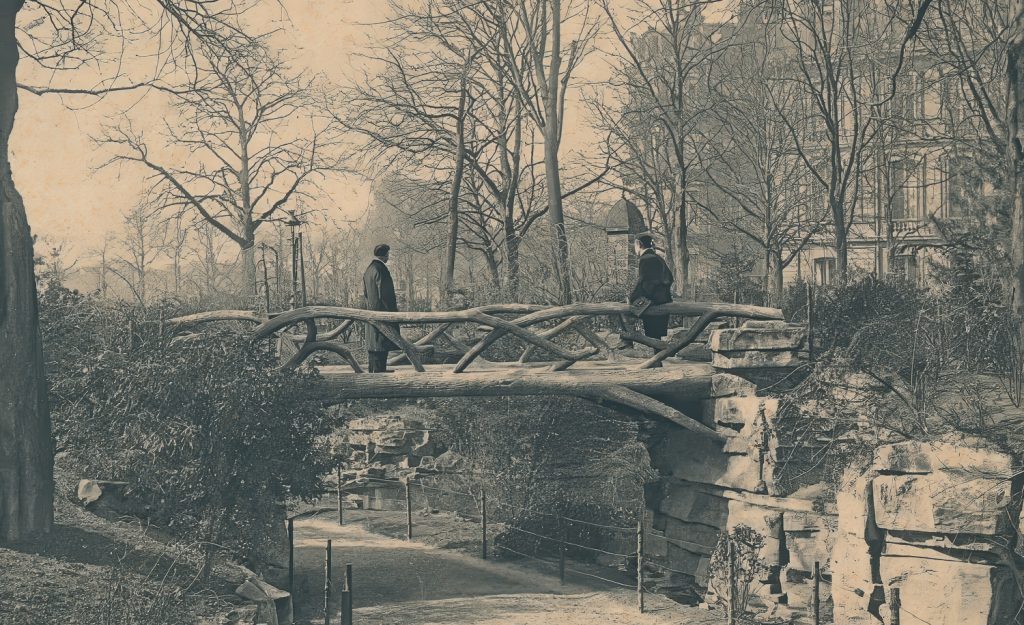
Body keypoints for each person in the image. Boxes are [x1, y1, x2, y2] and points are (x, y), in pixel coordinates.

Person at [629, 233, 674, 343]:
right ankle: (657, 358)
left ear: (639, 244)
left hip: (653, 302)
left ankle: (626, 341)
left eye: (635, 245)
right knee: (656, 337)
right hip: (663, 300)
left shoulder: (646, 259)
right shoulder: (657, 258)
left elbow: (644, 282)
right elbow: (670, 278)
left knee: (626, 313)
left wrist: (632, 298)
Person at [363, 243, 400, 373]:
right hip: (382, 315)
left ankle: (373, 375)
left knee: (374, 347)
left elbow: (366, 294)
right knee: (381, 346)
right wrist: (393, 314)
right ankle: (380, 376)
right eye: (388, 254)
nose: (388, 257)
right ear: (384, 255)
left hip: (371, 314)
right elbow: (386, 295)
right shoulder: (381, 269)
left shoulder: (369, 270)